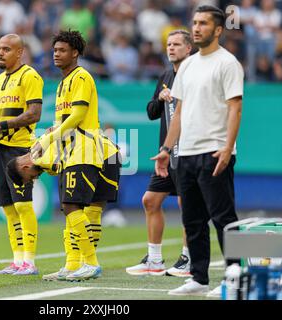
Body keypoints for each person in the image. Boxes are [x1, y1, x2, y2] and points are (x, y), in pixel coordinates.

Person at [152, 5, 243, 296]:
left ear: (218, 30)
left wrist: (228, 148)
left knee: (224, 218)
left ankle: (235, 277)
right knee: (192, 219)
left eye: (203, 23)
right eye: (194, 22)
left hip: (215, 151)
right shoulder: (188, 65)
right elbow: (178, 111)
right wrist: (167, 149)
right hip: (185, 153)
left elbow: (235, 108)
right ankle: (199, 277)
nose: (197, 27)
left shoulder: (227, 63)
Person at [33, 30, 120, 281]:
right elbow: (62, 122)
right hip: (70, 153)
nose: (56, 55)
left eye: (62, 50)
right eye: (55, 50)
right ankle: (72, 264)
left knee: (72, 206)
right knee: (70, 207)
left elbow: (78, 117)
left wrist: (47, 139)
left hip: (84, 150)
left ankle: (89, 262)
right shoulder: (62, 84)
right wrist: (52, 143)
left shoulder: (81, 77)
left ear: (76, 53)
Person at [9, 128, 121, 281]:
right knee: (74, 211)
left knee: (83, 210)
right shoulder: (40, 151)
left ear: (25, 168)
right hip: (98, 153)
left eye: (30, 178)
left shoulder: (43, 158)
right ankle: (75, 265)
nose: (35, 179)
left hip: (105, 154)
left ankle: (85, 264)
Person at [126, 30, 192, 278]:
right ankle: (154, 259)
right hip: (166, 152)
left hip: (188, 151)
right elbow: (151, 112)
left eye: (177, 44)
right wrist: (163, 98)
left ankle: (188, 258)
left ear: (189, 49)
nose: (171, 48)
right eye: (169, 44)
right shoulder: (166, 75)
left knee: (187, 205)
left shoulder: (194, 75)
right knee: (150, 200)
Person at [0, 34, 43, 276]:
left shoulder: (30, 76)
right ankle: (17, 260)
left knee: (23, 205)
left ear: (19, 52)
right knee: (7, 207)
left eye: (6, 49)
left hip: (21, 149)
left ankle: (30, 262)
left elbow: (34, 113)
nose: (0, 53)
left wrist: (2, 127)